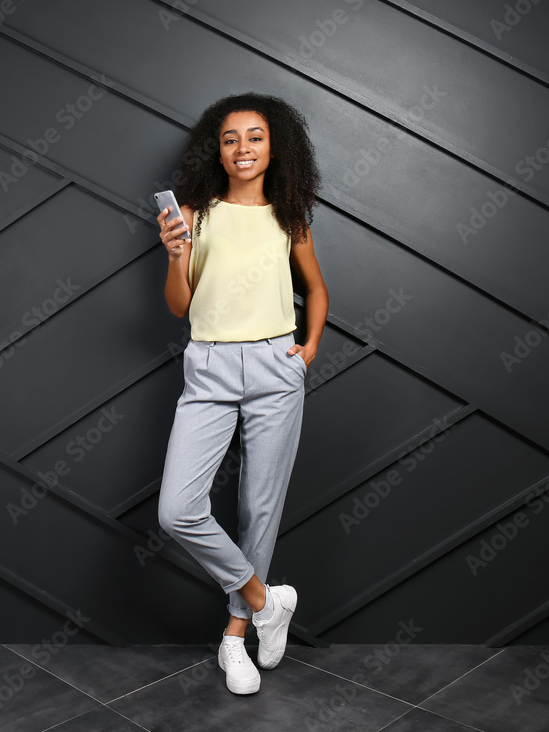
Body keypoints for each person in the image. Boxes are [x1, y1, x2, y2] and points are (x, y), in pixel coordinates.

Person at [156, 92, 327, 695]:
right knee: (177, 509)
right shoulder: (195, 215)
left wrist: (306, 348)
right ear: (217, 150)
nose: (243, 148)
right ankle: (264, 600)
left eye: (255, 136)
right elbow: (180, 305)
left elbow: (317, 289)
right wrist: (177, 256)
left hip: (276, 367)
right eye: (231, 139)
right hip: (208, 367)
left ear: (274, 144)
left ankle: (234, 640)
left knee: (260, 508)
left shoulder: (290, 213)